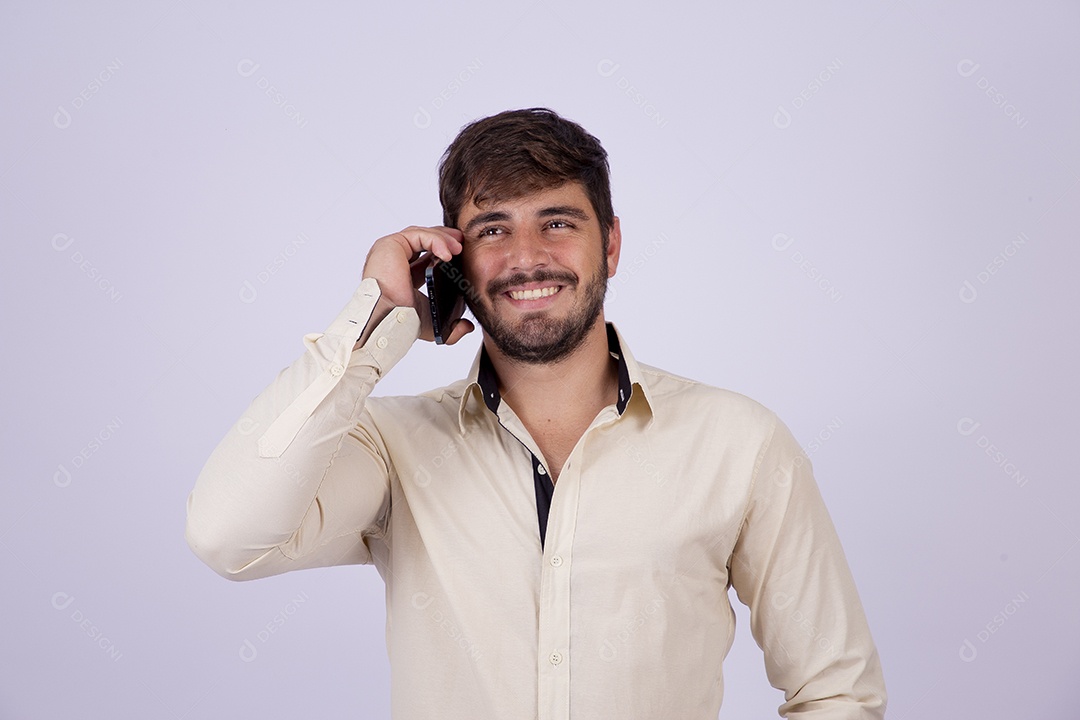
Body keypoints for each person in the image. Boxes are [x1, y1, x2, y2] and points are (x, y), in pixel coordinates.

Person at [186, 107, 887, 719]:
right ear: (454, 263)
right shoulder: (390, 448)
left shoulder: (739, 442)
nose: (527, 257)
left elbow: (835, 691)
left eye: (557, 222)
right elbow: (229, 537)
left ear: (610, 243)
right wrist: (375, 320)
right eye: (492, 231)